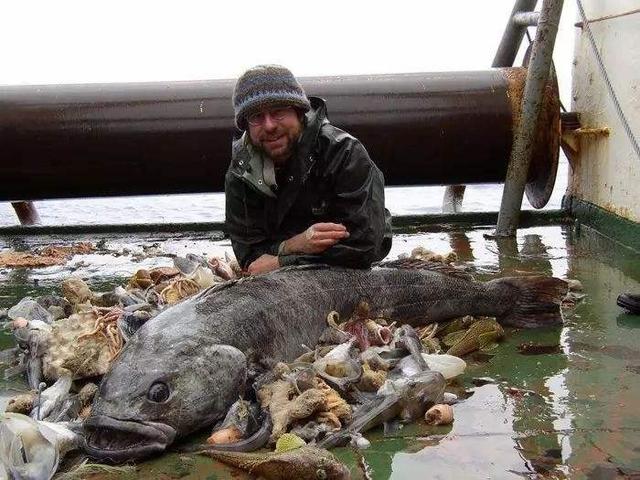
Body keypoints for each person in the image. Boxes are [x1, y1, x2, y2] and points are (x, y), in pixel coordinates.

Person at [225, 64, 392, 275]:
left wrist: (282, 262)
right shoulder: (240, 172)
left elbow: (364, 246)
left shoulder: (344, 152)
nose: (269, 125)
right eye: (256, 117)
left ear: (298, 112)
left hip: (349, 274)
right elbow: (250, 255)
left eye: (278, 111)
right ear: (246, 125)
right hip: (300, 262)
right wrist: (295, 245)